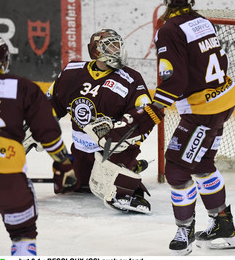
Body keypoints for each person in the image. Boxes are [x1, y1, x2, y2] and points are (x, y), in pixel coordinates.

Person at [115, 0, 235, 255]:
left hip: (203, 111)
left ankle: (185, 231)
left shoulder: (169, 29)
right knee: (202, 163)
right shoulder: (202, 21)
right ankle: (223, 226)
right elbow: (219, 61)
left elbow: (175, 80)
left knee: (176, 168)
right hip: (225, 100)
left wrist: (153, 109)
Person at [0, 37, 75, 256]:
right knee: (24, 232)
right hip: (8, 174)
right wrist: (64, 164)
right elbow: (47, 132)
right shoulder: (23, 87)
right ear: (5, 61)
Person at [42, 28, 154, 214]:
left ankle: (130, 172)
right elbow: (50, 105)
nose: (117, 50)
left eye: (118, 45)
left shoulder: (132, 79)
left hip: (113, 152)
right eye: (111, 47)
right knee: (68, 187)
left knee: (119, 190)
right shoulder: (72, 72)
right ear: (96, 51)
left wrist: (125, 134)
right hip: (81, 151)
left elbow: (147, 114)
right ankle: (134, 165)